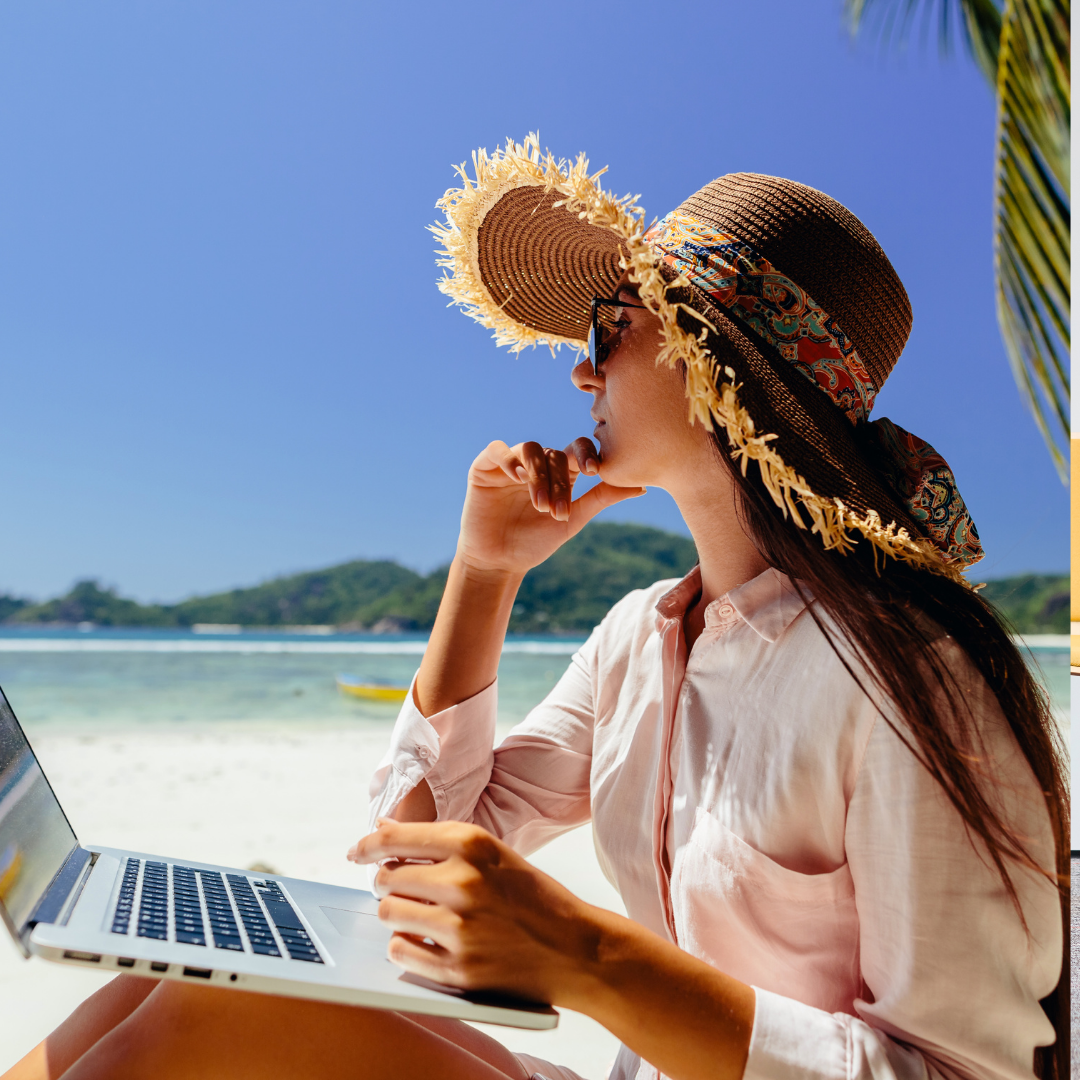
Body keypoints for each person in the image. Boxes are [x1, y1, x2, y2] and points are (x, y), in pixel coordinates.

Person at [5, 137, 1066, 1080]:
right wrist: (483, 573)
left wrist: (588, 957)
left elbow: (964, 1072)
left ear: (713, 365)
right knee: (192, 984)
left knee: (196, 1032)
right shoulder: (637, 641)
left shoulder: (911, 678)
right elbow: (417, 858)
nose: (578, 369)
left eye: (610, 327)